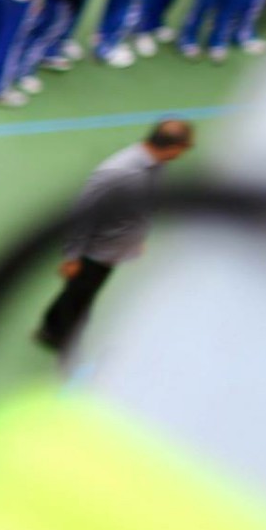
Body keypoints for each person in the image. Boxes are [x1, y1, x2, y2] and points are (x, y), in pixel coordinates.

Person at [35, 119, 194, 355]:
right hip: (96, 252)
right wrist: (72, 257)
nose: (184, 152)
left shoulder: (157, 165)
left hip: (115, 248)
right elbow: (83, 214)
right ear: (174, 147)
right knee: (78, 294)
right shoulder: (116, 173)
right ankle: (54, 334)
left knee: (84, 292)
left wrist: (135, 239)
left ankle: (58, 327)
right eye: (185, 147)